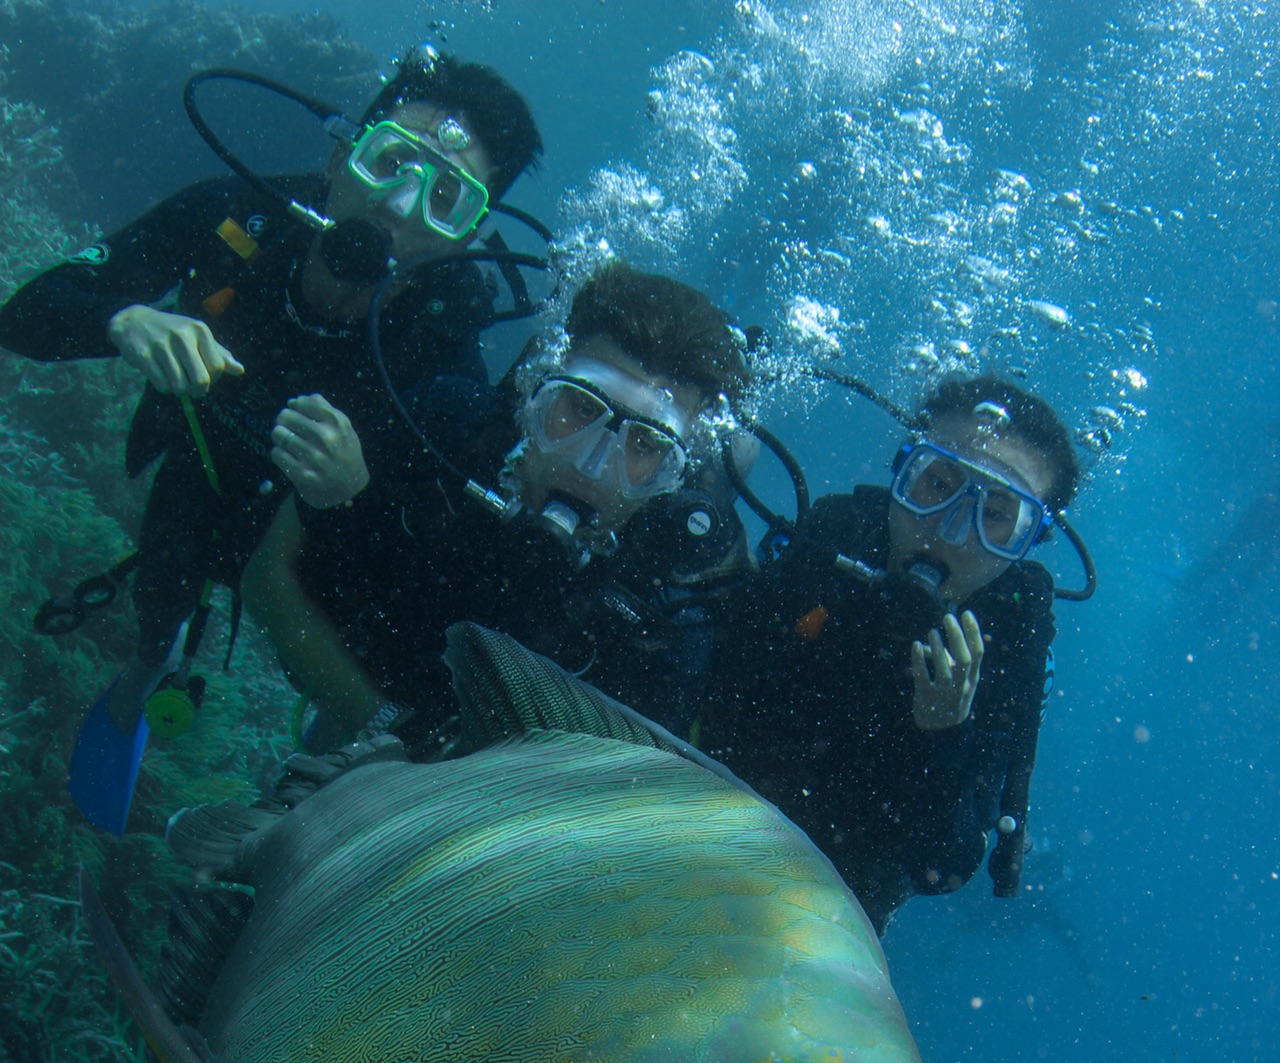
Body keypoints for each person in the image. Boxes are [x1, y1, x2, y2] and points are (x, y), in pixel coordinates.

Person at [0, 47, 543, 830]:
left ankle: (327, 778)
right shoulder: (233, 222)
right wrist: (122, 319)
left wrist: (355, 496)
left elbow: (431, 571)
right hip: (200, 477)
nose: (395, 205)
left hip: (316, 555)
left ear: (464, 237)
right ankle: (145, 676)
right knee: (159, 621)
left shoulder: (445, 354)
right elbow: (26, 312)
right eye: (389, 160)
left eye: (445, 198)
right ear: (339, 154)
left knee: (356, 707)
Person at [240, 261, 750, 749]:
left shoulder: (669, 598)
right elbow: (268, 579)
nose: (591, 466)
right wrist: (389, 730)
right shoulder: (444, 429)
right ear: (535, 388)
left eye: (645, 445)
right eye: (579, 408)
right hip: (365, 712)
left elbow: (624, 793)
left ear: (673, 476)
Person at [702, 374, 1084, 933]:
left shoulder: (1013, 644)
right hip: (703, 817)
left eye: (996, 516)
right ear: (902, 471)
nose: (950, 530)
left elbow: (941, 870)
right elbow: (708, 680)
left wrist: (945, 735)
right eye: (937, 484)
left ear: (1028, 544)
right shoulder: (835, 537)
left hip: (835, 901)